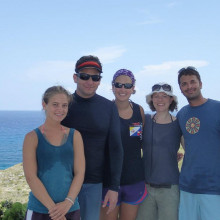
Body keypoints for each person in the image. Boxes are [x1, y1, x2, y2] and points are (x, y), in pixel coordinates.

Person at [61, 55, 123, 220]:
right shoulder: (63, 105)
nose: (90, 81)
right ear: (75, 77)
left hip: (93, 184)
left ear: (99, 80)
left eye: (95, 77)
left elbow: (116, 148)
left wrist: (114, 188)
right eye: (84, 76)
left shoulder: (109, 108)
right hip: (63, 182)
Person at [23, 86, 85, 220]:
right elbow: (31, 177)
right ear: (44, 105)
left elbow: (80, 172)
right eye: (55, 104)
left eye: (64, 105)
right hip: (39, 210)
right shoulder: (32, 137)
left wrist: (68, 202)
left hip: (70, 209)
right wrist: (55, 210)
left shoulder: (75, 136)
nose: (60, 109)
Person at [100, 69, 147, 220]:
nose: (122, 89)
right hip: (109, 181)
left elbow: (141, 142)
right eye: (118, 85)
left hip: (134, 179)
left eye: (127, 85)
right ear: (112, 87)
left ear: (133, 88)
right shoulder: (104, 111)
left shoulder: (139, 111)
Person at [177, 66, 220, 220]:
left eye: (192, 82)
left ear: (200, 84)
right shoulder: (181, 114)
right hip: (187, 186)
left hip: (213, 188)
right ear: (180, 89)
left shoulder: (217, 108)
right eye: (184, 84)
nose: (189, 86)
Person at [136, 82, 182, 220]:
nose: (160, 100)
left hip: (170, 189)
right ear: (151, 100)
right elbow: (130, 143)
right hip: (145, 187)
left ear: (171, 99)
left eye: (164, 96)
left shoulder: (179, 124)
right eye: (156, 96)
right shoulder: (143, 121)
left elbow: (193, 149)